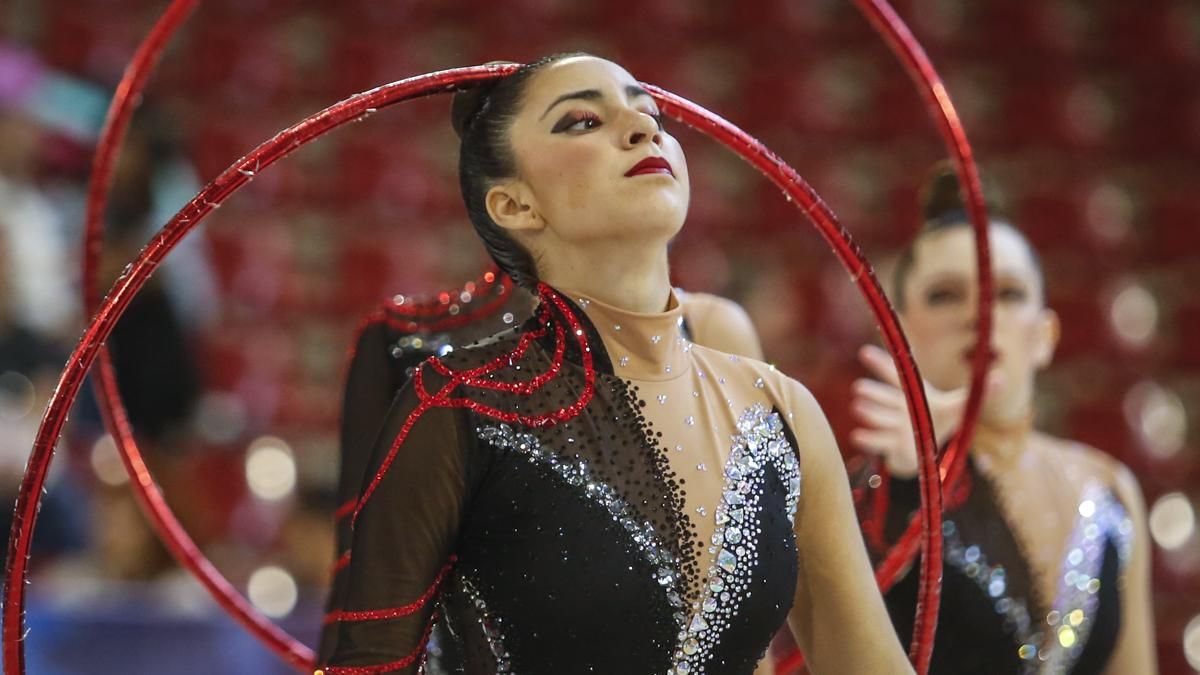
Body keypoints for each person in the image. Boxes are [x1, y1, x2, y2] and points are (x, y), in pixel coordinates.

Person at [320, 53, 911, 674]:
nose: (642, 128)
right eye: (581, 121)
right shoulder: (461, 405)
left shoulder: (778, 409)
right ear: (516, 205)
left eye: (650, 113)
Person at [320, 268, 769, 669]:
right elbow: (362, 599)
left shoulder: (711, 331)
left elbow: (744, 607)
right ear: (507, 200)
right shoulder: (406, 340)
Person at [851, 164, 1156, 674]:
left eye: (1008, 294)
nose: (980, 315)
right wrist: (903, 487)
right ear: (896, 331)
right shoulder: (866, 494)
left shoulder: (1110, 488)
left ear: (1046, 335)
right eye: (945, 294)